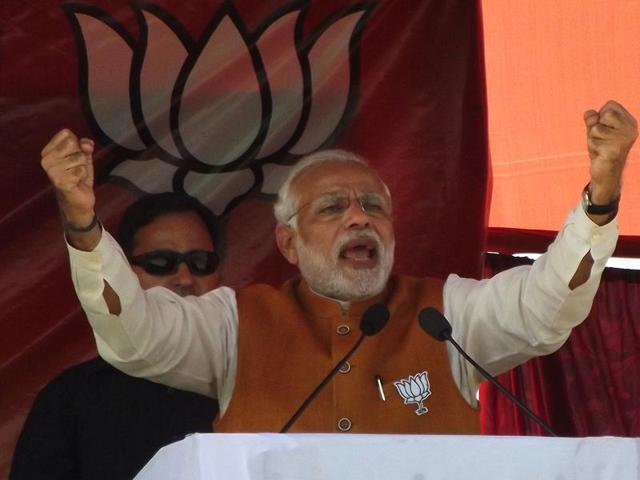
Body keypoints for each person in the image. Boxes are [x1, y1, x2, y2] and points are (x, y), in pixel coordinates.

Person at [40, 100, 637, 434]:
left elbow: (546, 305)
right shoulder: (234, 323)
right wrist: (84, 225)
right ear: (289, 244)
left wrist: (601, 197)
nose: (360, 218)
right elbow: (134, 335)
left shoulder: (447, 316)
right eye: (333, 208)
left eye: (373, 205)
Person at [9, 193, 221, 479]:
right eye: (161, 262)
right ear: (125, 275)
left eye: (200, 261)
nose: (184, 278)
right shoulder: (71, 399)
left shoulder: (257, 383)